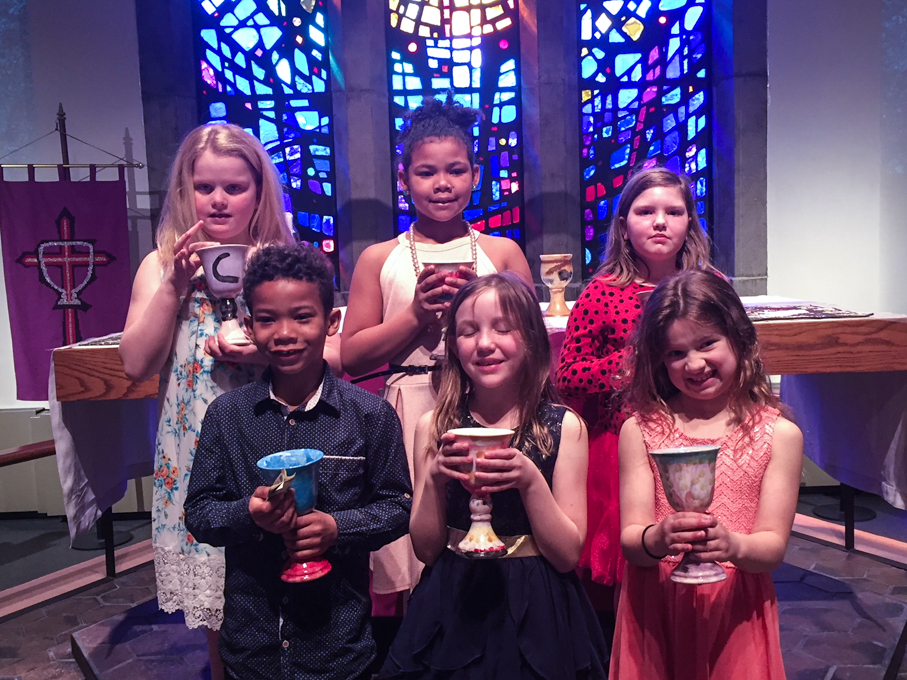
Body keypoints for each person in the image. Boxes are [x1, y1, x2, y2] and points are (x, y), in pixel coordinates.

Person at [184, 243, 413, 680]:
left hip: (338, 645)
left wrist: (337, 528)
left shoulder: (369, 415)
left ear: (331, 322)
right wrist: (249, 514)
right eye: (267, 319)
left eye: (303, 317)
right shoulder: (227, 415)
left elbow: (397, 505)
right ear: (249, 326)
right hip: (253, 645)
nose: (284, 333)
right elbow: (200, 512)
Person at [119, 123, 295, 677]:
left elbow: (318, 353)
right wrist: (173, 288)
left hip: (271, 435)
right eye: (205, 187)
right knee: (218, 590)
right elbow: (134, 363)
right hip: (195, 443)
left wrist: (262, 351)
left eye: (234, 187)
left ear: (259, 192)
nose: (218, 200)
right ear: (185, 192)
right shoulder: (162, 264)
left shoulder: (281, 259)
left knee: (283, 580)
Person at [342, 94, 533, 604]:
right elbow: (353, 355)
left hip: (489, 405)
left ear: (476, 174)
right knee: (414, 541)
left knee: (491, 526)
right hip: (412, 405)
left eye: (455, 170)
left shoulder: (502, 252)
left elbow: (530, 344)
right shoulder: (379, 258)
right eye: (426, 172)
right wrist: (415, 315)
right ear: (404, 178)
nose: (442, 183)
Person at [380, 273, 609, 679]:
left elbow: (567, 553)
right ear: (453, 345)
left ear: (533, 340)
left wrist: (530, 480)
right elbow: (426, 549)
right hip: (454, 597)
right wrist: (433, 479)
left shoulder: (563, 426)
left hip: (539, 601)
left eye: (503, 329)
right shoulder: (434, 426)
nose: (485, 343)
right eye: (468, 332)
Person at [611, 270, 802, 679]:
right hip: (657, 604)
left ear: (739, 338)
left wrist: (731, 545)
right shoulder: (642, 429)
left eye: (707, 343)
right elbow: (631, 539)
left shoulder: (779, 435)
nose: (693, 363)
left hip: (736, 608)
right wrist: (658, 538)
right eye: (675, 353)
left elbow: (771, 548)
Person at [554, 167, 720, 602]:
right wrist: (622, 365)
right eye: (645, 211)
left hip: (697, 437)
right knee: (633, 573)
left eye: (674, 211)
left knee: (694, 550)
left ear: (690, 222)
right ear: (624, 226)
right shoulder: (604, 292)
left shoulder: (712, 288)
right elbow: (568, 375)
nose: (660, 221)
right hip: (620, 445)